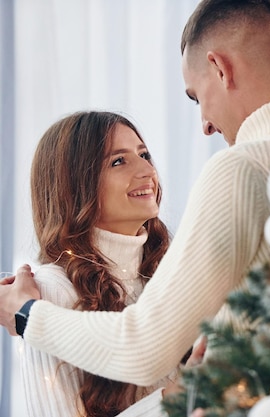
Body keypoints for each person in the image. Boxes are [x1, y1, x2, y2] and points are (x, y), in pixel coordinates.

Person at [0, 0, 270, 392]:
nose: (205, 124)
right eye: (117, 161)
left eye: (196, 96)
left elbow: (143, 348)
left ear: (220, 69)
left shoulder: (241, 168)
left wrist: (26, 315)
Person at [16, 111, 203, 417]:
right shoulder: (50, 291)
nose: (147, 170)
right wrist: (178, 396)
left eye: (144, 155)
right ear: (75, 186)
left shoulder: (167, 279)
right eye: (119, 161)